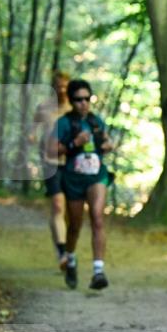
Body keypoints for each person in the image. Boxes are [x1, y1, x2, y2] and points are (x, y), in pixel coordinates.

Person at [53, 80, 115, 290]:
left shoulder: (97, 122)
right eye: (79, 99)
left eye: (87, 99)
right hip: (74, 178)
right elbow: (50, 151)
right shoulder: (64, 123)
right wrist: (74, 144)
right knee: (75, 225)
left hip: (96, 175)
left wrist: (107, 145)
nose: (83, 103)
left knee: (97, 217)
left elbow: (105, 142)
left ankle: (98, 271)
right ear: (71, 101)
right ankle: (70, 258)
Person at [33, 71, 71, 272]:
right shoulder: (44, 107)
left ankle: (65, 246)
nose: (62, 90)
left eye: (65, 86)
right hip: (51, 162)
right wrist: (31, 137)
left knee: (70, 210)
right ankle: (62, 252)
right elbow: (33, 128)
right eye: (58, 86)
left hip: (73, 164)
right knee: (57, 206)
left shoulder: (75, 108)